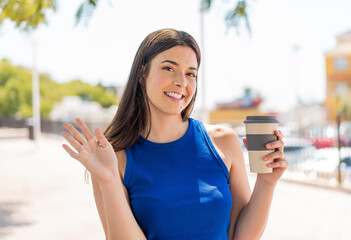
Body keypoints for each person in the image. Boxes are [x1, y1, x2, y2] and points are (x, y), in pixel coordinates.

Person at [61, 28, 288, 240]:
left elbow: (242, 235)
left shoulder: (223, 141)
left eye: (191, 74)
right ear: (142, 73)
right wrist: (108, 180)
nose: (181, 82)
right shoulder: (114, 157)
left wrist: (266, 183)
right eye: (169, 68)